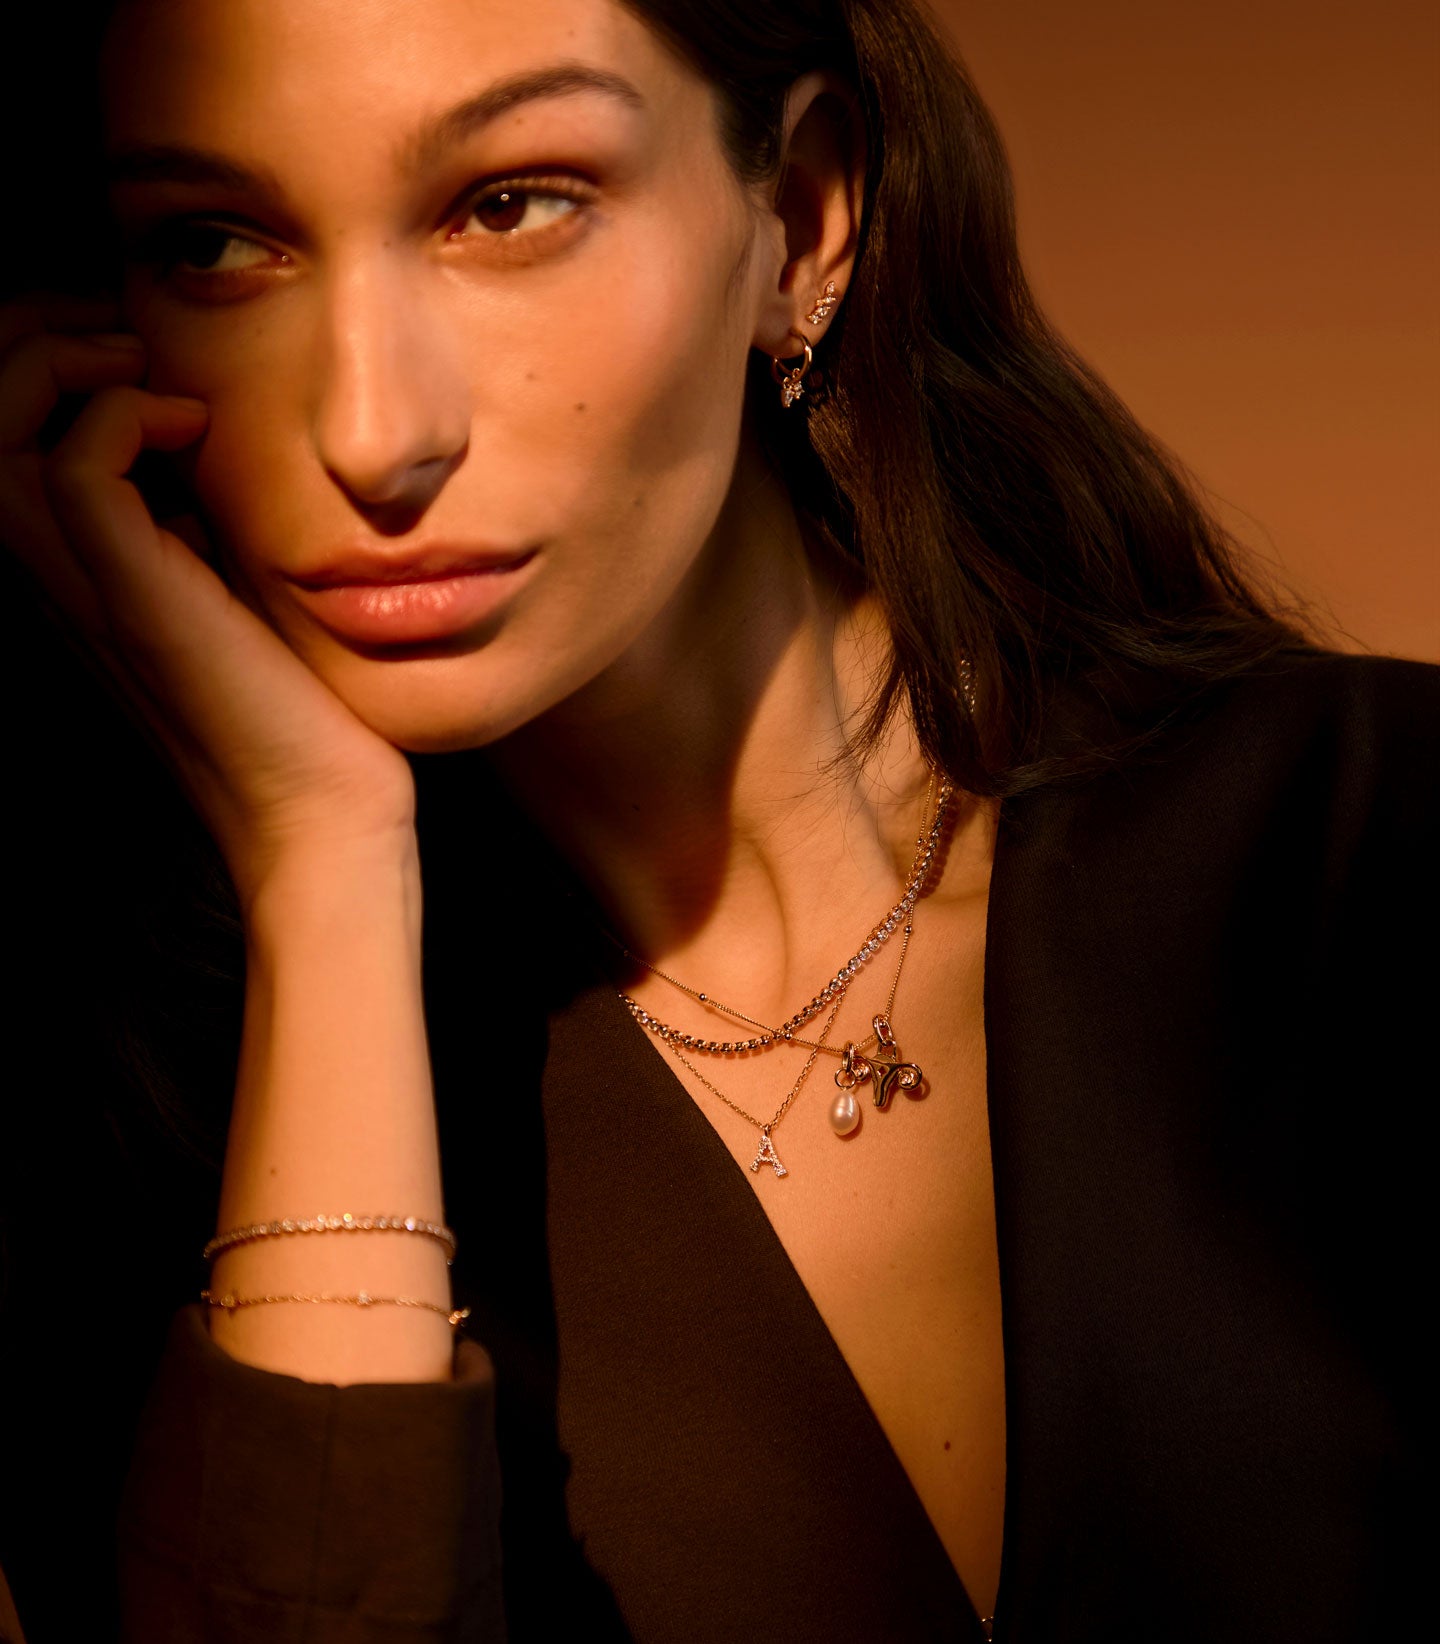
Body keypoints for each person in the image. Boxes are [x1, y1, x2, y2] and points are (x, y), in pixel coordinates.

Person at [0, 0, 1431, 1639]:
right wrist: (322, 871)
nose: (373, 434)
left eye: (510, 204)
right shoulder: (151, 1139)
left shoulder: (1369, 846)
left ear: (800, 221)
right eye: (214, 246)